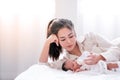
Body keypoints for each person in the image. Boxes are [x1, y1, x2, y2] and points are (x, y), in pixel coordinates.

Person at [39, 18, 120, 71]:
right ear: (57, 41)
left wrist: (100, 57)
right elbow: (42, 65)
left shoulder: (91, 37)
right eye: (63, 39)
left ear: (75, 33)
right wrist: (48, 42)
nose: (69, 42)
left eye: (71, 36)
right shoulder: (67, 61)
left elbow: (116, 49)